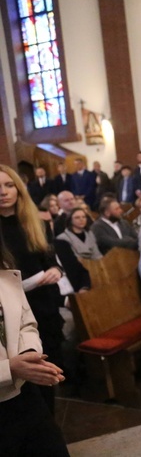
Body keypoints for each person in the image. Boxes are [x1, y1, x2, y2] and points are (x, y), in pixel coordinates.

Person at [0, 165, 65, 414]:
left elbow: (50, 260)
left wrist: (56, 271)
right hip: (12, 314)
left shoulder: (36, 222)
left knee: (46, 371)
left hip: (43, 306)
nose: (4, 192)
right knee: (23, 381)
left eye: (9, 185)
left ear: (18, 189)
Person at [0, 243, 69, 457]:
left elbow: (26, 323)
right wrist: (9, 368)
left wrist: (27, 354)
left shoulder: (4, 273)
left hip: (22, 392)